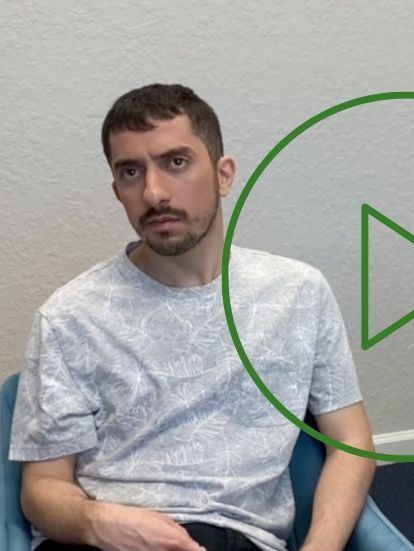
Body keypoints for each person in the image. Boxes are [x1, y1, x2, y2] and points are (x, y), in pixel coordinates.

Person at [9, 84, 375, 551]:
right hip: (104, 537)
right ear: (117, 191)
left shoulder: (298, 293)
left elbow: (350, 442)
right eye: (130, 172)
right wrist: (97, 522)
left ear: (223, 175)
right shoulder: (69, 316)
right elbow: (42, 485)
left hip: (231, 534)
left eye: (176, 162)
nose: (154, 192)